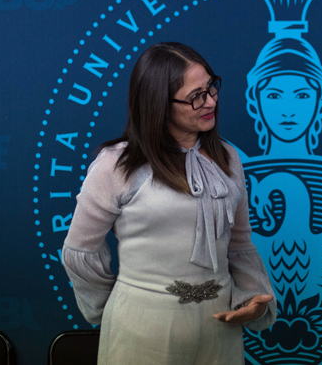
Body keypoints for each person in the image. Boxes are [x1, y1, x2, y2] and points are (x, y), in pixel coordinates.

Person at [62, 42, 277, 364]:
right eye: (195, 96)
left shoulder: (228, 157)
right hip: (141, 330)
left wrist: (250, 297)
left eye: (211, 88)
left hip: (219, 329)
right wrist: (118, 307)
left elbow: (240, 245)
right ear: (157, 103)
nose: (210, 102)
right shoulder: (116, 164)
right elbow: (80, 251)